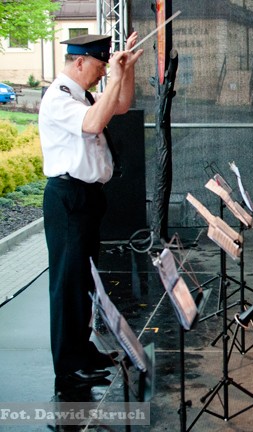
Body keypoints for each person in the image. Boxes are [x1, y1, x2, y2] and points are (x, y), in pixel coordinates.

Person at [38, 33, 143, 390]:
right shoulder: (58, 98)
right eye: (100, 65)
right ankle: (68, 367)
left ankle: (82, 351)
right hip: (68, 197)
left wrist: (125, 70)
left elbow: (121, 105)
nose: (102, 72)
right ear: (79, 61)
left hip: (86, 197)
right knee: (67, 284)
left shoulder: (82, 96)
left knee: (84, 281)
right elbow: (94, 124)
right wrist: (116, 75)